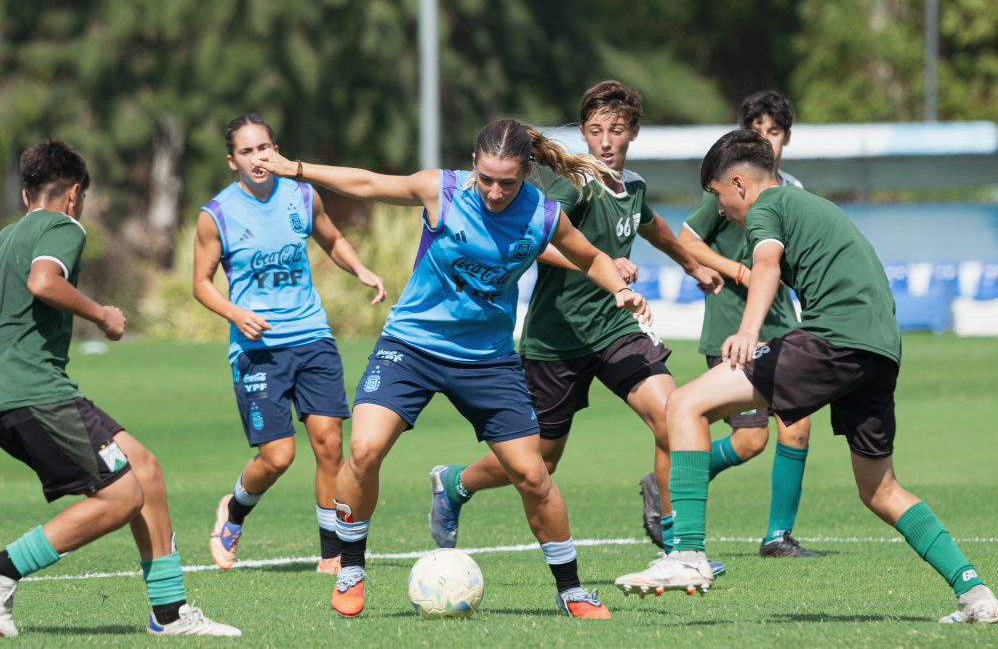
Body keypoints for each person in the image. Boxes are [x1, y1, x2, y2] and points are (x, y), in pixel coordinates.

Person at [252, 118, 653, 619]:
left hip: (487, 359)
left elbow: (591, 256)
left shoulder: (544, 215)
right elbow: (369, 183)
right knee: (363, 447)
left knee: (532, 474)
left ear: (528, 171)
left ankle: (570, 590)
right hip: (411, 345)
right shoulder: (440, 190)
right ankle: (351, 567)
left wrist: (618, 287)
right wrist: (297, 169)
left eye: (508, 181)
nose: (494, 191)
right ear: (472, 165)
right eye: (486, 178)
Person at [614, 129, 998, 624]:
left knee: (685, 403)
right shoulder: (810, 206)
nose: (722, 210)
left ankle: (685, 554)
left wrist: (748, 331)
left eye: (716, 196)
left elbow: (767, 264)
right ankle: (975, 593)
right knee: (879, 489)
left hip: (834, 338)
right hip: (880, 349)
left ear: (737, 184)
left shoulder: (767, 206)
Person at [424, 81, 725, 575]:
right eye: (595, 130)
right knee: (540, 462)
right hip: (555, 341)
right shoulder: (574, 184)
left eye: (617, 130)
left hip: (615, 329)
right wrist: (601, 263)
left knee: (675, 417)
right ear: (584, 134)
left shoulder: (633, 187)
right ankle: (455, 482)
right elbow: (535, 240)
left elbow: (652, 226)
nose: (606, 141)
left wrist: (691, 264)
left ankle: (678, 549)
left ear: (633, 133)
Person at [0, 139, 240, 637]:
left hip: (26, 391)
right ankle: (4, 571)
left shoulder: (6, 239)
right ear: (73, 195)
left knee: (144, 467)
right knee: (121, 496)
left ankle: (169, 613)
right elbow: (44, 282)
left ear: (26, 196)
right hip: (36, 394)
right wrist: (103, 315)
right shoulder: (63, 226)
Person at [193, 114, 386, 576]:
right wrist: (235, 313)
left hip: (313, 336)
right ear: (231, 161)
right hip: (257, 349)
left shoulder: (302, 194)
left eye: (265, 148)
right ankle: (234, 512)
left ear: (275, 150)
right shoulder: (216, 214)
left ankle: (332, 552)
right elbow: (201, 283)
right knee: (278, 456)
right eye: (247, 151)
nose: (259, 158)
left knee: (330, 445)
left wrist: (360, 270)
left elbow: (331, 238)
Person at [638, 91, 820, 558]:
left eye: (774, 133)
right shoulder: (725, 189)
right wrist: (738, 271)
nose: (766, 140)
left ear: (786, 139)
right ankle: (671, 483)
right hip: (732, 325)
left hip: (783, 322)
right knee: (749, 440)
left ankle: (778, 536)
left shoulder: (793, 191)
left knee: (796, 426)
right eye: (756, 131)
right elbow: (687, 239)